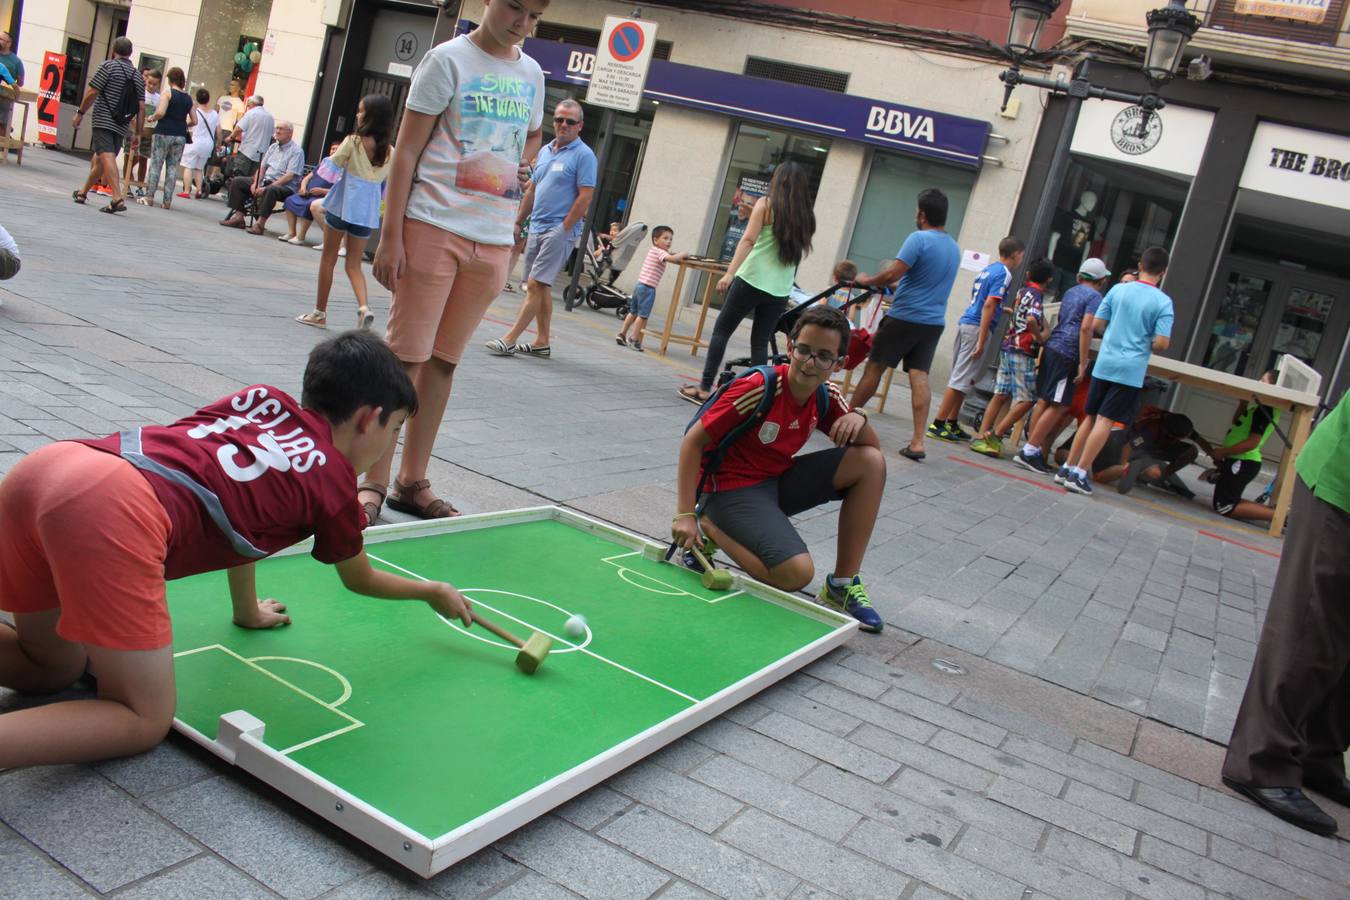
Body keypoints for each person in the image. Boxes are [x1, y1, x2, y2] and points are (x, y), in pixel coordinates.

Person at [0, 331, 477, 769]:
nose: (390, 442)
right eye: (394, 429)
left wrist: (246, 609)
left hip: (56, 465)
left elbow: (235, 506)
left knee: (51, 667)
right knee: (142, 718)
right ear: (369, 419)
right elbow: (360, 579)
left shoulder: (263, 399)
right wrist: (431, 590)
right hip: (111, 514)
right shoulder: (333, 483)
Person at [365, 0, 546, 525]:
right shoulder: (447, 60)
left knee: (443, 362)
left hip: (491, 236)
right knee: (406, 359)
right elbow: (405, 151)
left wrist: (523, 164)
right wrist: (391, 236)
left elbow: (531, 134)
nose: (522, 22)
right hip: (433, 224)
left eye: (534, 16)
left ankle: (410, 480)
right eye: (515, 7)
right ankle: (372, 482)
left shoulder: (531, 72)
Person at [672, 305, 885, 633]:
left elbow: (871, 448)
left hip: (773, 482)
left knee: (870, 464)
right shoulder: (759, 386)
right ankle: (710, 525)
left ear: (839, 364)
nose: (810, 362)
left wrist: (860, 414)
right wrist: (685, 514)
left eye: (824, 356)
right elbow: (693, 442)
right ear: (790, 347)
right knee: (795, 575)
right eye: (803, 350)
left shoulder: (825, 395)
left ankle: (841, 585)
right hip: (728, 489)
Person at [1221, 391, 1350, 837]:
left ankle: (1316, 754)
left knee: (1343, 639)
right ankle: (1262, 760)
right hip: (1344, 483)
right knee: (1311, 626)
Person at [676, 161, 816, 404]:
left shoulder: (766, 204)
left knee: (722, 330)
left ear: (778, 181)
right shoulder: (806, 217)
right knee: (760, 341)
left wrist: (730, 273)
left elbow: (748, 240)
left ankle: (705, 388)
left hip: (751, 279)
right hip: (780, 289)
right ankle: (759, 398)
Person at [848, 188, 961, 461]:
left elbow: (890, 274)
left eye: (916, 210)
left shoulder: (918, 239)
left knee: (874, 368)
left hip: (904, 317)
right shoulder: (953, 248)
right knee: (919, 376)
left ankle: (843, 417)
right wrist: (898, 284)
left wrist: (866, 280)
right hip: (933, 322)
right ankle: (918, 441)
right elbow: (920, 280)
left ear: (922, 214)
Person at [1059, 246, 1174, 496]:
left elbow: (1098, 324)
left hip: (1105, 361)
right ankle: (1080, 472)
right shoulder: (1163, 302)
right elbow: (1162, 343)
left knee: (1090, 417)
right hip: (1130, 369)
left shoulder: (1118, 290)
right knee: (1105, 420)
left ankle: (1067, 467)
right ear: (1163, 272)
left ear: (1141, 266)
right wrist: (1147, 340)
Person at [486, 98, 595, 359]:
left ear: (580, 126)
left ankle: (510, 338)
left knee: (535, 284)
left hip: (558, 230)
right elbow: (532, 190)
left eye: (570, 121)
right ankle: (542, 341)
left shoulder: (584, 155)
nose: (563, 125)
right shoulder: (546, 150)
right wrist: (518, 221)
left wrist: (564, 228)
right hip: (536, 227)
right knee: (540, 286)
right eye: (559, 119)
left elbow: (585, 196)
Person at [296, 95, 395, 332]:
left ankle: (319, 313)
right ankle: (364, 307)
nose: (358, 115)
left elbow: (331, 168)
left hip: (344, 204)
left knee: (328, 258)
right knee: (354, 264)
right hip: (367, 212)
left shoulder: (354, 141)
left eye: (361, 111)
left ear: (370, 116)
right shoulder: (390, 151)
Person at [1012, 257, 1110, 474]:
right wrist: (1083, 362)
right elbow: (1086, 328)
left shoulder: (1070, 291)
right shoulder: (1095, 297)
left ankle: (1032, 448)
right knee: (1059, 405)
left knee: (1045, 400)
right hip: (1068, 351)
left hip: (1053, 346)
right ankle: (1030, 451)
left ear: (1079, 276)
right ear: (1101, 280)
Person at [929, 236, 1025, 442]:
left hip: (967, 322)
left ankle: (952, 422)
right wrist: (982, 340)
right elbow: (989, 304)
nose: (1021, 259)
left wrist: (1003, 309)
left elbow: (985, 300)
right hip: (977, 327)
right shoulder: (1004, 274)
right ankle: (938, 423)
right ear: (1016, 254)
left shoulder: (988, 269)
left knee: (965, 376)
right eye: (1021, 255)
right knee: (961, 378)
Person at [969, 258, 1055, 458]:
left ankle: (982, 435)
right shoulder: (1036, 295)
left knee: (1000, 394)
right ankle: (996, 435)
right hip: (1022, 350)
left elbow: (1021, 314)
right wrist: (1040, 336)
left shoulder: (1022, 292)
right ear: (1049, 280)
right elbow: (1032, 319)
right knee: (1027, 399)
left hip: (1008, 346)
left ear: (1027, 275)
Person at [71, 37, 145, 215]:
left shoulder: (108, 67)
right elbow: (141, 107)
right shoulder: (137, 76)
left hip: (103, 119)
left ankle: (117, 197)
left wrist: (80, 113)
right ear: (130, 53)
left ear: (114, 50)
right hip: (122, 123)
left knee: (105, 156)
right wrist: (139, 133)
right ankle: (82, 193)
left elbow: (92, 91)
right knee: (103, 159)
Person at [1191, 374, 1279, 521]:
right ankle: (1274, 513)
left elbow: (1252, 442)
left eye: (1263, 381)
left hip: (1243, 462)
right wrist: (1243, 404)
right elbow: (1237, 423)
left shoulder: (1265, 410)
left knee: (1225, 507)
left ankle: (1283, 518)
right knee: (1226, 502)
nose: (1258, 382)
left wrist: (1223, 452)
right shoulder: (1257, 407)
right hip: (1236, 459)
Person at [219, 120, 304, 233]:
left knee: (271, 189)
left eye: (281, 129)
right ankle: (239, 217)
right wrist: (256, 183)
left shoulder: (296, 151)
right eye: (277, 128)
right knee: (238, 181)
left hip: (285, 186)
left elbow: (289, 176)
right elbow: (262, 168)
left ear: (290, 133)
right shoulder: (273, 147)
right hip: (266, 180)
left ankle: (260, 224)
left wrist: (266, 187)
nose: (277, 131)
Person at [616, 225, 688, 352]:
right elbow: (671, 258)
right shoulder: (659, 252)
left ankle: (622, 334)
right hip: (648, 288)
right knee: (642, 316)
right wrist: (683, 254)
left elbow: (667, 255)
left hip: (640, 285)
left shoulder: (654, 250)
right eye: (665, 238)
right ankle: (633, 339)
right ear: (655, 240)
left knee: (633, 312)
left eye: (671, 239)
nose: (669, 241)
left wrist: (672, 253)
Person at [138, 67, 193, 209]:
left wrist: (152, 117)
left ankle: (149, 196)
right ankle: (167, 201)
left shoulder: (167, 93)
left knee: (156, 164)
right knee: (173, 168)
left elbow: (161, 112)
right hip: (180, 135)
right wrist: (182, 123)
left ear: (169, 80)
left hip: (163, 132)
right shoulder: (188, 98)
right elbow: (195, 120)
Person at [281, 142, 341, 245]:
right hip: (308, 194)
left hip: (323, 197)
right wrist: (303, 187)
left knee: (309, 205)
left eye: (337, 149)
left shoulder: (342, 169)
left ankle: (301, 237)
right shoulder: (324, 163)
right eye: (332, 149)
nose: (334, 151)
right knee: (289, 200)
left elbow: (339, 190)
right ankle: (291, 233)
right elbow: (307, 178)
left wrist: (322, 191)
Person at [178, 88, 218, 200]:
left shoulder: (194, 111)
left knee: (188, 167)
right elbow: (218, 131)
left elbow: (187, 123)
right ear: (208, 99)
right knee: (199, 168)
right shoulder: (215, 113)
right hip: (208, 144)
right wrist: (218, 144)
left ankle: (186, 191)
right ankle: (199, 190)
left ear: (197, 98)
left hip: (194, 142)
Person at [231, 95, 275, 178]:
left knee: (238, 177)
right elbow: (272, 137)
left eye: (248, 105)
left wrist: (231, 137)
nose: (248, 107)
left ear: (252, 104)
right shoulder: (270, 117)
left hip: (246, 151)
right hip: (261, 155)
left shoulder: (251, 113)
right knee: (251, 180)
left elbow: (238, 129)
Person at [0, 31, 23, 149]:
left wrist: (16, 95)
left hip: (5, 96)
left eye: (1, 39)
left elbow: (18, 83)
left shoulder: (15, 61)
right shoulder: (2, 66)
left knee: (2, 123)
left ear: (9, 43)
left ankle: (3, 146)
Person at [216, 78, 248, 147]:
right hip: (216, 127)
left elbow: (239, 122)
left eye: (233, 85)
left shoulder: (240, 103)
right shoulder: (222, 98)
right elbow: (216, 113)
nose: (230, 86)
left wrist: (232, 135)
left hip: (227, 130)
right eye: (230, 85)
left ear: (238, 88)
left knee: (219, 153)